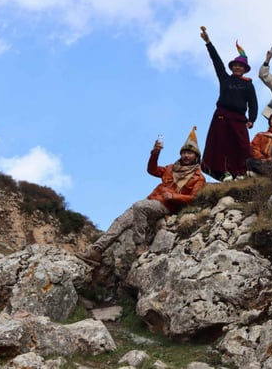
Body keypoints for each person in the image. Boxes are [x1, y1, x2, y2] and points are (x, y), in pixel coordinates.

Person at [78, 128, 206, 266]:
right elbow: (152, 170)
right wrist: (155, 153)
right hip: (152, 201)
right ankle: (96, 251)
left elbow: (193, 198)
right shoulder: (171, 168)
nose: (186, 156)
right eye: (184, 152)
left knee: (139, 206)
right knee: (121, 221)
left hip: (167, 206)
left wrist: (173, 196)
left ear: (196, 157)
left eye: (190, 153)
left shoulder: (198, 177)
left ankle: (140, 245)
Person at [200, 26, 258, 181]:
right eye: (235, 65)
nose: (238, 67)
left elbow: (253, 103)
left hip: (239, 118)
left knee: (242, 145)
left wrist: (252, 119)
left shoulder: (248, 85)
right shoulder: (225, 79)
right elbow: (216, 61)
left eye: (241, 66)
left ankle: (241, 171)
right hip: (222, 115)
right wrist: (208, 43)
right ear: (232, 67)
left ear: (245, 69)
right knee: (220, 144)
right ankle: (223, 172)